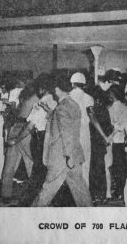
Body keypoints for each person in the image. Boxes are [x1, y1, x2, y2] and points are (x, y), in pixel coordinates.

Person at [32, 74, 92, 207]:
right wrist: (50, 112)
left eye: (54, 89)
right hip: (74, 155)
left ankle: (30, 217)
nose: (53, 92)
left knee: (46, 191)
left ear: (58, 89)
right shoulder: (73, 104)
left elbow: (67, 133)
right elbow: (67, 126)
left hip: (62, 157)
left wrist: (68, 156)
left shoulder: (61, 107)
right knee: (81, 193)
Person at [4, 76, 53, 205]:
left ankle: (5, 194)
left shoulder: (24, 97)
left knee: (10, 164)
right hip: (25, 129)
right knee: (32, 164)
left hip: (15, 126)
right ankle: (35, 195)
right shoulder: (38, 99)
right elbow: (31, 124)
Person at [87, 87, 113, 204]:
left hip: (92, 142)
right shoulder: (104, 109)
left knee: (92, 170)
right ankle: (102, 195)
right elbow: (109, 126)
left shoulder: (91, 109)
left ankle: (93, 195)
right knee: (101, 169)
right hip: (101, 143)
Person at [69, 72, 95, 187]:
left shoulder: (68, 96)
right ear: (84, 85)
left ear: (72, 84)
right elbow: (92, 116)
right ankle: (85, 195)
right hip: (84, 132)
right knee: (85, 163)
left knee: (71, 163)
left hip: (70, 132)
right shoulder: (89, 98)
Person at [106, 85, 127, 200]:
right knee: (122, 167)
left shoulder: (112, 108)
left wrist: (110, 135)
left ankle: (119, 191)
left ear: (113, 94)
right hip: (123, 140)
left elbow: (115, 125)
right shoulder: (125, 107)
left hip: (114, 140)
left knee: (116, 167)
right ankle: (122, 191)